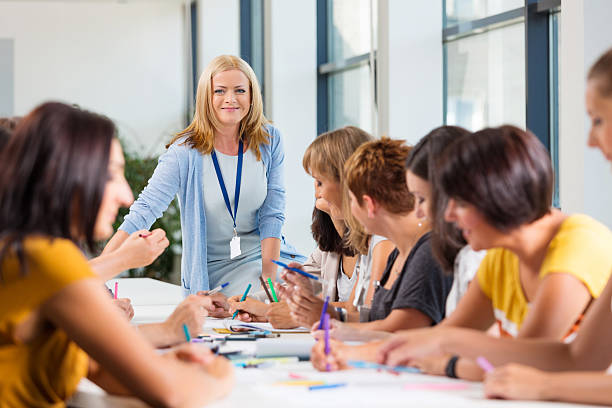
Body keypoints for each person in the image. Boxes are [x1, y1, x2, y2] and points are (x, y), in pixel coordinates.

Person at [0, 102, 233, 407]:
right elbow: (171, 394)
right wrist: (220, 371)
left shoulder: (21, 253)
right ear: (66, 176)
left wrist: (162, 359)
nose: (125, 195)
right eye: (111, 175)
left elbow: (96, 367)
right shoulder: (48, 259)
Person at [373, 125, 612, 382]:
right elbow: (442, 337)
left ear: (498, 196)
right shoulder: (501, 257)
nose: (448, 215)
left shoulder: (578, 245)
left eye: (461, 203)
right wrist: (349, 353)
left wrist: (449, 358)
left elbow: (524, 363)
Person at [103, 55, 301, 296]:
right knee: (273, 301)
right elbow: (144, 211)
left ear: (252, 96)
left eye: (240, 90)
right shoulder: (184, 152)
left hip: (266, 260)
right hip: (216, 272)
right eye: (220, 91)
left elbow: (273, 211)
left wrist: (269, 279)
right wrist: (100, 274)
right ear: (206, 97)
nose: (230, 99)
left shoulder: (269, 140)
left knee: (317, 291)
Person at [228, 126, 393, 327]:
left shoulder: (381, 240)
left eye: (320, 180)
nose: (315, 188)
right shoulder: (332, 245)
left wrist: (283, 312)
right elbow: (298, 293)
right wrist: (251, 305)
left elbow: (362, 312)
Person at [307, 137, 453, 362]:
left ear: (370, 204)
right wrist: (337, 322)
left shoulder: (426, 250)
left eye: (352, 201)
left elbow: (399, 329)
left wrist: (344, 338)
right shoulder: (398, 253)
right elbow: (376, 317)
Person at [404, 126, 486, 317]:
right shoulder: (466, 256)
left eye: (421, 199)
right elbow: (449, 336)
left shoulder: (480, 257)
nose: (418, 212)